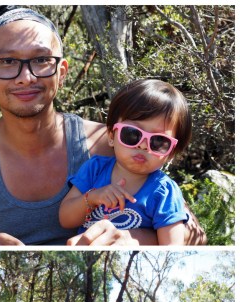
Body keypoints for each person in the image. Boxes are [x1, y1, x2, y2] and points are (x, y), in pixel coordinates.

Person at [0, 5, 205, 246]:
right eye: (7, 62)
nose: (26, 77)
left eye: (41, 60)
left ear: (61, 73)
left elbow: (195, 237)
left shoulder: (111, 142)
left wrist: (134, 239)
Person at [59, 79, 191, 244]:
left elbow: (172, 248)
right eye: (132, 134)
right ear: (111, 136)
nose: (143, 145)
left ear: (171, 153)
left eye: (158, 141)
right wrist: (92, 197)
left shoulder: (164, 192)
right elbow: (65, 219)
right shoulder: (95, 169)